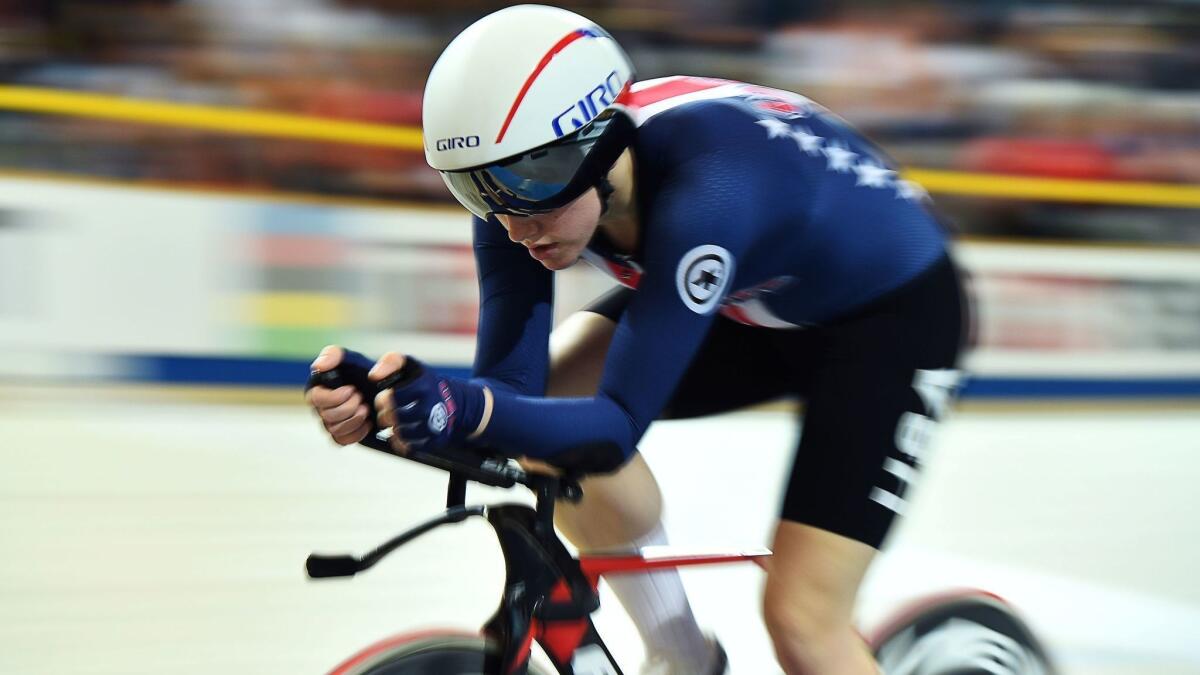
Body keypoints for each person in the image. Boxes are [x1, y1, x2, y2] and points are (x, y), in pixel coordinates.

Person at [306, 5, 970, 674]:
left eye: (523, 184)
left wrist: (462, 409)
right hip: (754, 299)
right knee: (548, 405)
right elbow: (507, 396)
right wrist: (388, 404)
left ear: (598, 148)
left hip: (889, 320)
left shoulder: (712, 186)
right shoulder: (524, 184)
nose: (510, 224)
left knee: (802, 621)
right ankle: (683, 656)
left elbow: (614, 427)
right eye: (474, 191)